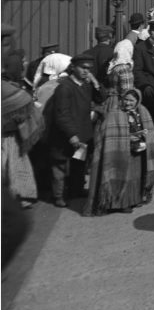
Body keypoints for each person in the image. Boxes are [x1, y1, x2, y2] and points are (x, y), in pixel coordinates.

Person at [82, 87, 154, 216]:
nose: (128, 103)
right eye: (126, 99)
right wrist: (128, 137)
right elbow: (108, 134)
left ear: (137, 100)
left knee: (136, 177)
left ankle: (135, 199)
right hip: (121, 152)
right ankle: (121, 203)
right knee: (123, 176)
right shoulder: (115, 113)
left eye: (131, 100)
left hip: (139, 152)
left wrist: (143, 136)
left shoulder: (143, 112)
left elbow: (150, 131)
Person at [45, 53, 100, 207]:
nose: (86, 71)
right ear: (73, 68)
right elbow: (61, 114)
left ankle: (76, 190)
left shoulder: (87, 86)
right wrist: (71, 134)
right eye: (83, 68)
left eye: (89, 69)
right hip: (65, 135)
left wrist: (96, 83)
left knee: (78, 164)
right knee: (60, 166)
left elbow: (101, 98)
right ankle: (59, 196)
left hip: (82, 132)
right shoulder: (65, 88)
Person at [2, 62, 44, 208]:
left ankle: (18, 197)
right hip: (8, 137)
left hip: (10, 138)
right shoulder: (11, 91)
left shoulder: (11, 90)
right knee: (12, 166)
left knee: (14, 167)